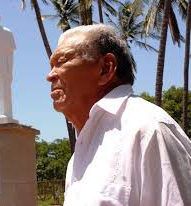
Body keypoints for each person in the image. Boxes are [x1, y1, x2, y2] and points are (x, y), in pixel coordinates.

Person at [46, 24, 191, 206]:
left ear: (106, 68)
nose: (50, 76)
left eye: (62, 61)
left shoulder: (148, 130)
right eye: (52, 66)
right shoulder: (80, 156)